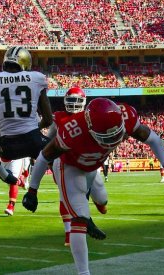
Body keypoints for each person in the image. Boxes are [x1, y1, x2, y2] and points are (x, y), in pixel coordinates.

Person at [23, 98, 164, 275]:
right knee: (79, 218)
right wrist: (33, 190)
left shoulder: (126, 116)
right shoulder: (73, 130)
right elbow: (44, 156)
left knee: (102, 199)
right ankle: (84, 271)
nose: (114, 141)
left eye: (117, 134)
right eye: (107, 137)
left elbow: (153, 138)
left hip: (93, 167)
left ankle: (91, 211)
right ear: (91, 129)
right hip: (70, 167)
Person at [0, 46, 53, 185]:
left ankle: (4, 175)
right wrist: (35, 129)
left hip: (7, 147)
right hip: (34, 142)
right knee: (59, 152)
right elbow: (47, 119)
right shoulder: (37, 77)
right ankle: (60, 183)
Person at [46, 87, 107, 247]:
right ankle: (69, 234)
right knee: (65, 197)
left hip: (89, 162)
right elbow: (48, 140)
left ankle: (99, 203)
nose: (73, 104)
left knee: (102, 197)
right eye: (70, 100)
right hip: (66, 163)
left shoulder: (90, 117)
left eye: (76, 101)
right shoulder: (58, 118)